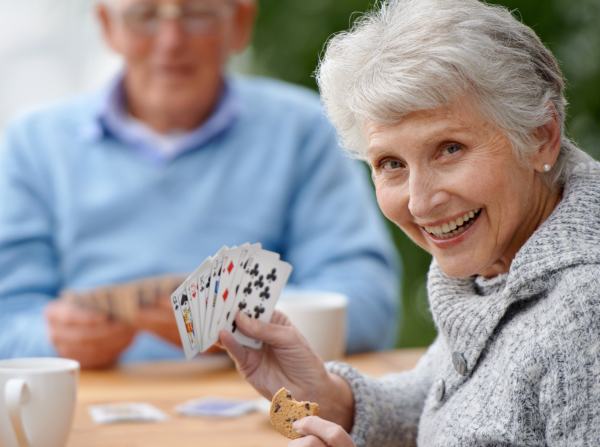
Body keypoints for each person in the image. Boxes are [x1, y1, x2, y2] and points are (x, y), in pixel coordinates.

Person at [218, 0, 600, 445]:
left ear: (541, 137)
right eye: (391, 163)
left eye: (450, 148)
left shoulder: (584, 311)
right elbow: (450, 399)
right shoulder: (504, 259)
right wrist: (334, 398)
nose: (420, 203)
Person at [0, 0, 401, 368]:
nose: (171, 42)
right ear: (108, 26)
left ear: (240, 22)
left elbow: (369, 303)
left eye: (198, 14)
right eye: (143, 15)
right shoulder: (33, 145)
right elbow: (7, 316)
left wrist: (243, 320)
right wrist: (52, 339)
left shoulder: (304, 131)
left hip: (260, 410)